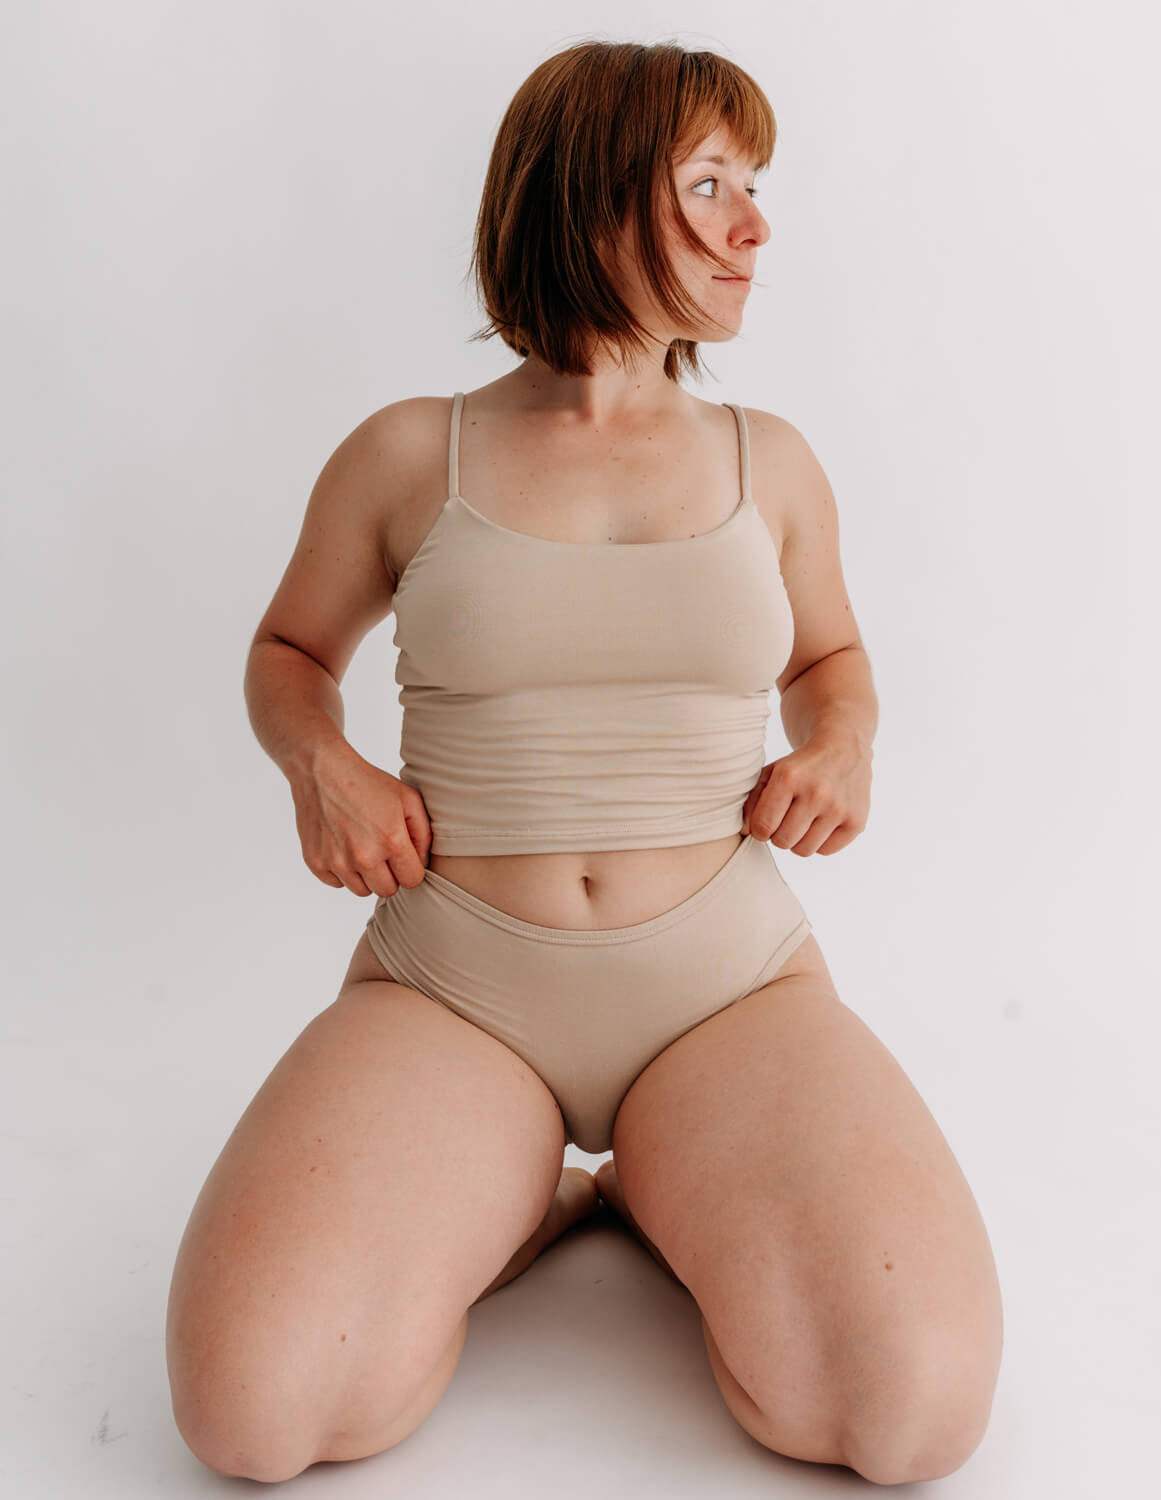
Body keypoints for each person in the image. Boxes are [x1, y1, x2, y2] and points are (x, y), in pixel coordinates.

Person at [165, 39, 1003, 1487]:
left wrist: (845, 743)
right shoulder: (408, 455)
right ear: (590, 196)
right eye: (710, 186)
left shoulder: (770, 463)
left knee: (906, 1418)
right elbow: (289, 653)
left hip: (725, 990)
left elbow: (831, 661)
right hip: (452, 990)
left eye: (757, 187)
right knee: (257, 1417)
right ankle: (542, 1197)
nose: (755, 226)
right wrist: (321, 765)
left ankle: (671, 1191)